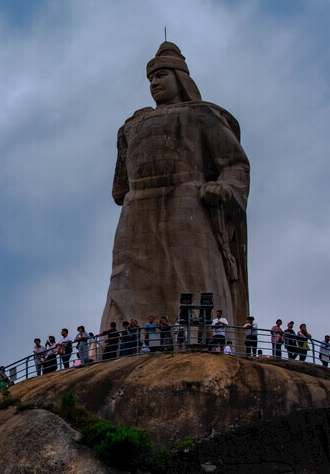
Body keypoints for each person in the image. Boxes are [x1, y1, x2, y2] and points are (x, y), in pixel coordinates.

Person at [101, 42, 250, 330]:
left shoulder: (202, 114)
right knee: (123, 285)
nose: (155, 83)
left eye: (161, 76)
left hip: (186, 203)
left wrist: (225, 187)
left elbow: (236, 164)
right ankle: (118, 340)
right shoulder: (132, 125)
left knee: (194, 280)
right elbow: (119, 190)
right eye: (151, 79)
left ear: (181, 78)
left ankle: (200, 337)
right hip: (136, 212)